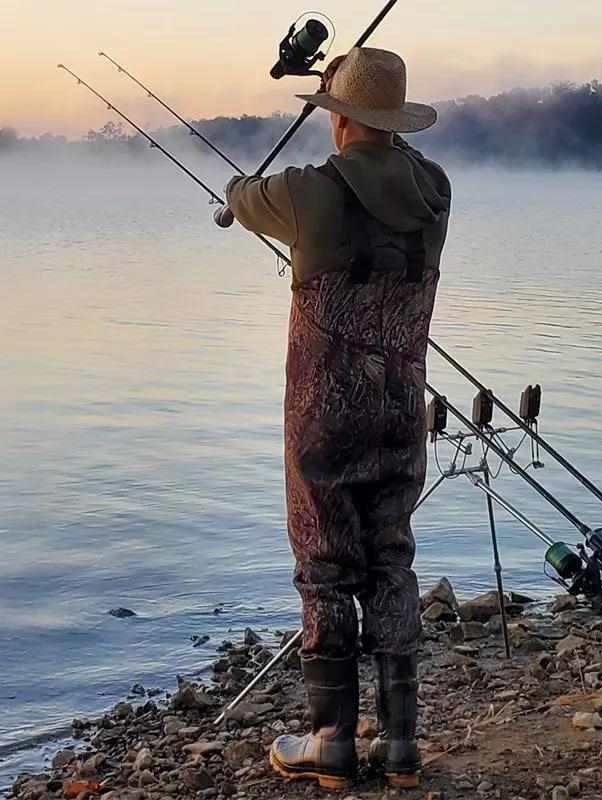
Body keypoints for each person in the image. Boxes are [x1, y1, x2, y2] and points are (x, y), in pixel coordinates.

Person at [221, 47, 450, 790]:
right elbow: (395, 160)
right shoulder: (437, 192)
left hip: (324, 418)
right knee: (391, 559)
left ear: (340, 120)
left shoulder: (306, 193)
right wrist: (362, 112)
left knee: (324, 566)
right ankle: (402, 744)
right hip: (399, 412)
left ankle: (331, 742)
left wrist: (237, 192)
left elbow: (242, 194)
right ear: (393, 123)